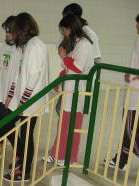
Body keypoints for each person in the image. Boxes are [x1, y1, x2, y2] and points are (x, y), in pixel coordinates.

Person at [2, 12, 49, 182]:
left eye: (15, 30)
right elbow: (19, 74)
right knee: (11, 127)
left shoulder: (36, 46)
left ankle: (25, 172)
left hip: (30, 102)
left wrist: (23, 100)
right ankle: (21, 161)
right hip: (23, 100)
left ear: (22, 30)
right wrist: (11, 95)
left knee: (26, 135)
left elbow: (35, 75)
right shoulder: (28, 45)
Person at [45, 14, 94, 165]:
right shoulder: (76, 43)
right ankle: (57, 153)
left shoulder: (84, 44)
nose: (64, 34)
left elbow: (78, 68)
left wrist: (64, 56)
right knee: (64, 124)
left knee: (73, 126)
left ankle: (70, 158)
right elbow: (68, 68)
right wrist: (59, 79)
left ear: (71, 28)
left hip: (77, 91)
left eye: (64, 30)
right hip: (69, 89)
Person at [106, 12, 139, 171]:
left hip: (137, 96)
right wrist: (133, 73)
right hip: (136, 91)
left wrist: (137, 77)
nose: (136, 26)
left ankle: (122, 159)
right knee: (132, 130)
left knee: (131, 132)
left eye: (138, 23)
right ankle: (120, 160)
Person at [0, 16, 22, 155]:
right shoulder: (4, 45)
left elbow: (19, 74)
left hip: (12, 94)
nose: (7, 34)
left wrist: (11, 95)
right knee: (2, 120)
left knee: (7, 124)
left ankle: (20, 153)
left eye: (9, 31)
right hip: (1, 92)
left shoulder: (21, 49)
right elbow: (4, 64)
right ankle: (1, 145)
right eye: (6, 31)